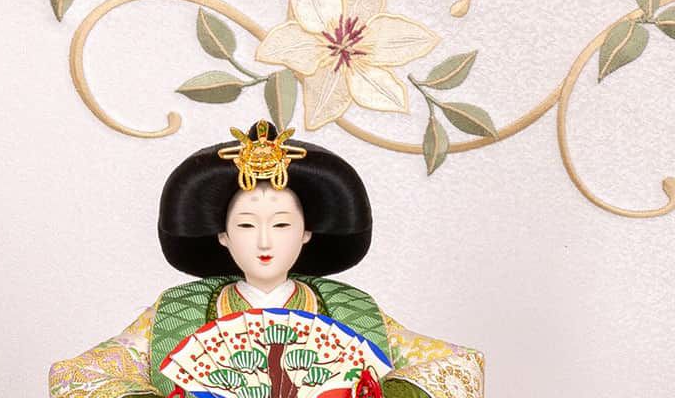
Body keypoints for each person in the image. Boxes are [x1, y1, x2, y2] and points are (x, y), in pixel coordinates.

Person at [48, 121, 485, 398]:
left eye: (281, 224)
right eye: (245, 225)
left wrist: (382, 393)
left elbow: (455, 364)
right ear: (222, 235)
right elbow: (80, 374)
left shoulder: (351, 310)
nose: (263, 240)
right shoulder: (177, 311)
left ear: (307, 232)